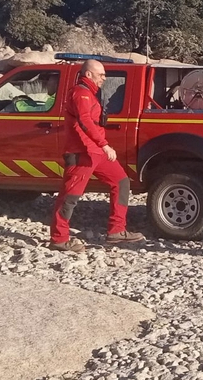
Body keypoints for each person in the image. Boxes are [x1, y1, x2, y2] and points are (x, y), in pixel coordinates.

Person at [49, 60, 145, 251]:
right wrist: (105, 145)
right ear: (89, 75)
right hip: (82, 153)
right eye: (101, 74)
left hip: (95, 152)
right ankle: (59, 239)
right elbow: (85, 121)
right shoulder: (80, 94)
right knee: (70, 196)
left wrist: (101, 147)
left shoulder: (89, 94)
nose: (104, 78)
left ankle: (116, 231)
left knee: (121, 181)